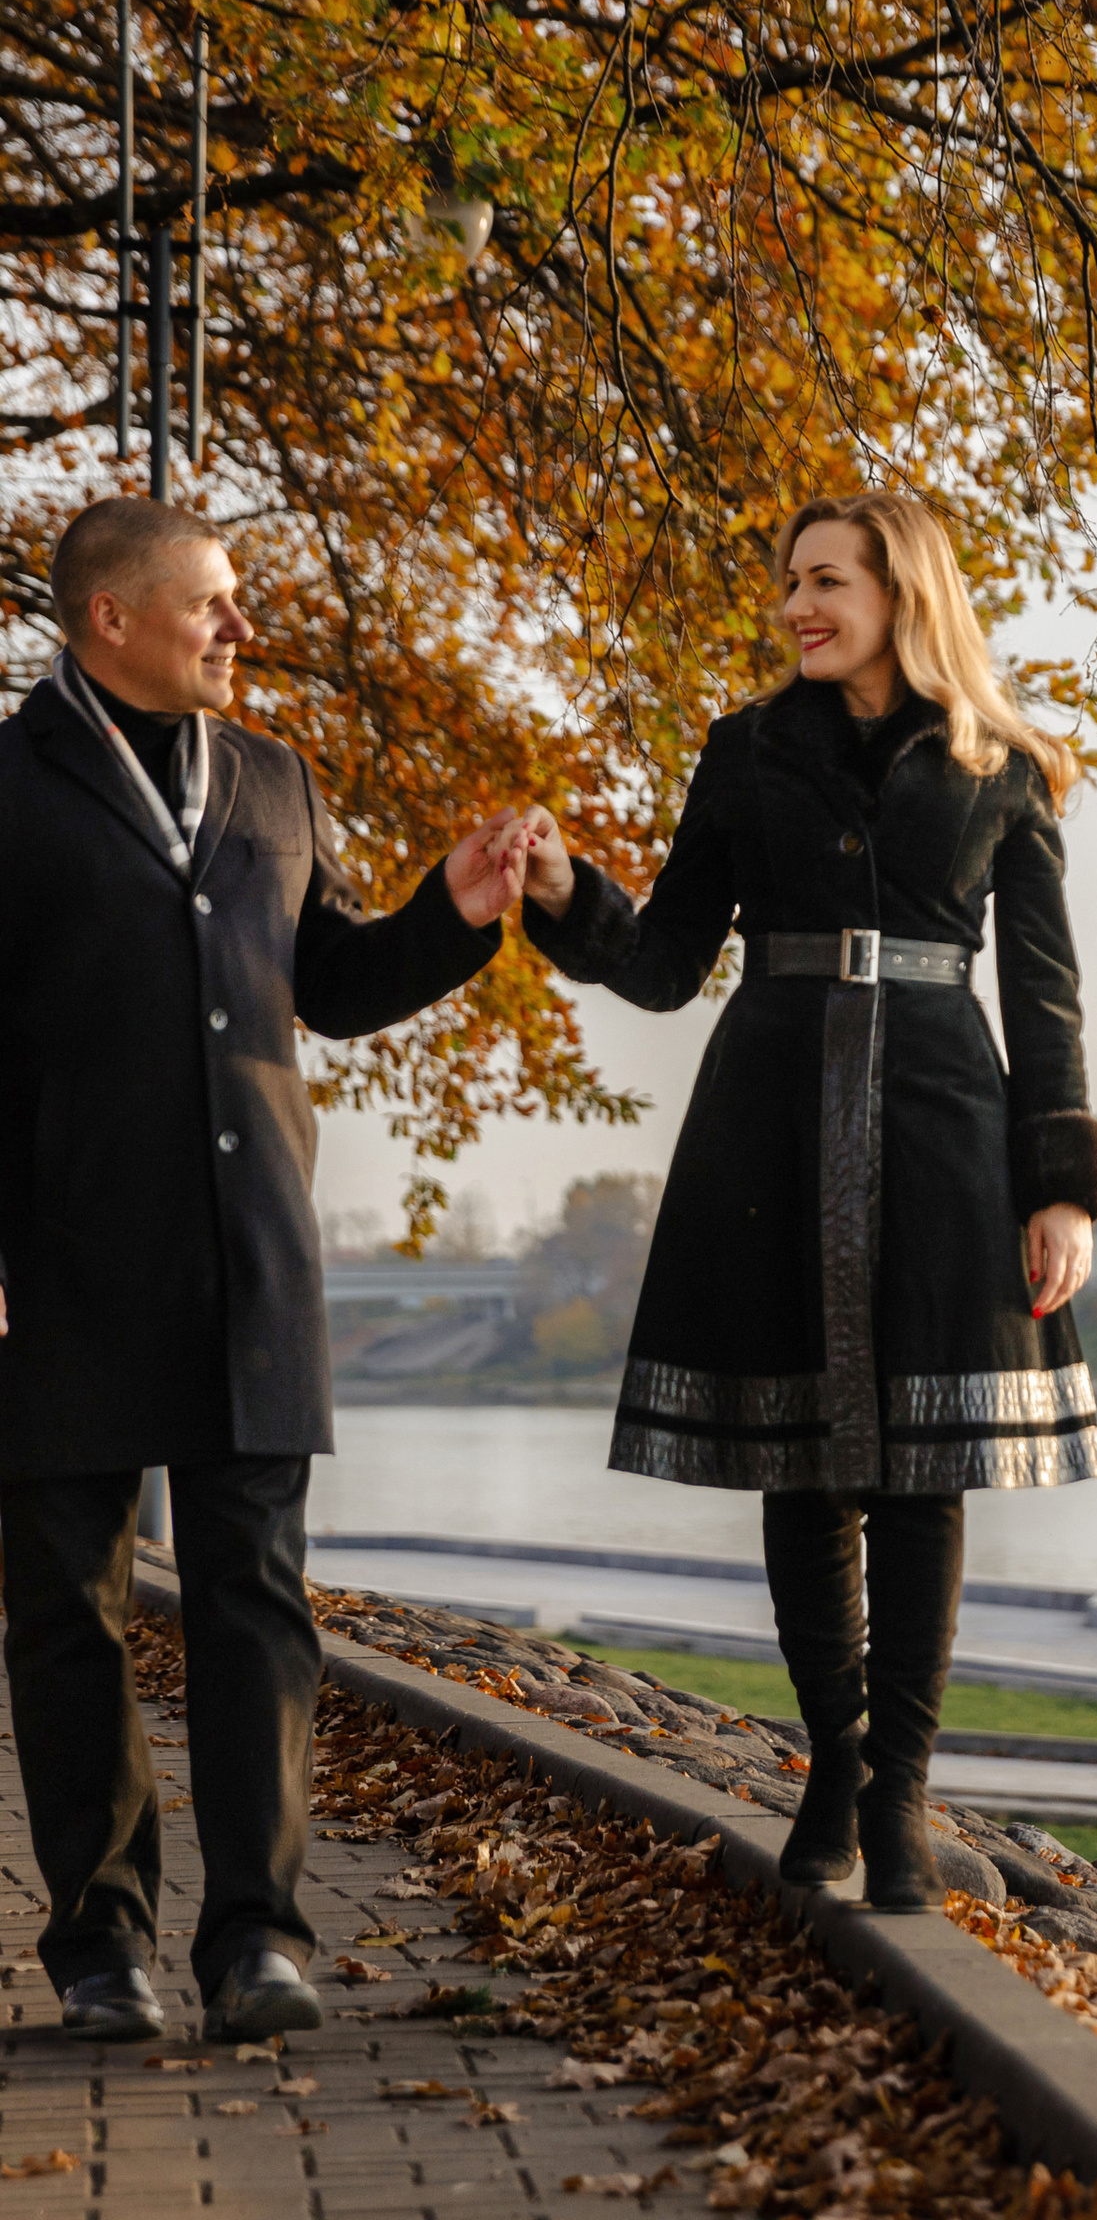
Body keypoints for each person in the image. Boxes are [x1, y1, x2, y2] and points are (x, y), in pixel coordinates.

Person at [518, 488, 1097, 1906]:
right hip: (768, 1116)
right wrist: (559, 889)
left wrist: (1064, 1191)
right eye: (791, 580)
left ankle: (897, 1800)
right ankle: (834, 1765)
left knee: (920, 1475)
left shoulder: (1005, 770)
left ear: (903, 593)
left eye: (827, 580)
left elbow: (1046, 998)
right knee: (802, 1464)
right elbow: (665, 959)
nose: (798, 604)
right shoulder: (744, 751)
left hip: (945, 1121)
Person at [0, 495, 541, 2043]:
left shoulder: (276, 778)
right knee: (69, 1614)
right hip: (57, 1268)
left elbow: (336, 980)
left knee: (255, 1601)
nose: (241, 626)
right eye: (214, 603)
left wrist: (454, 912)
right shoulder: (7, 783)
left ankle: (260, 1941)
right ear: (112, 617)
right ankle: (102, 1950)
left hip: (256, 1266)